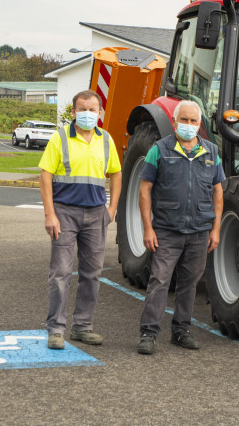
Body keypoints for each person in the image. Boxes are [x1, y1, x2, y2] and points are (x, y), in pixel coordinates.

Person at [136, 100, 224, 355]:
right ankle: (149, 333)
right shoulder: (159, 150)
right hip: (166, 230)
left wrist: (216, 228)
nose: (188, 125)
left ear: (199, 124)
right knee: (159, 281)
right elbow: (145, 190)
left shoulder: (211, 152)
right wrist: (148, 228)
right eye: (183, 120)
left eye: (193, 121)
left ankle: (181, 330)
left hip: (199, 232)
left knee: (190, 283)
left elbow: (218, 192)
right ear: (174, 122)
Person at [39, 90, 121, 350]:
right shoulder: (59, 138)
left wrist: (112, 208)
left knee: (92, 274)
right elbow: (45, 176)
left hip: (96, 214)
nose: (88, 114)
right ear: (73, 112)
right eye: (82, 109)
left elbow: (116, 174)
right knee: (60, 273)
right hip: (65, 213)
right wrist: (49, 214)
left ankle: (83, 327)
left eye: (93, 109)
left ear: (100, 112)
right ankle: (56, 329)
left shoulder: (106, 139)